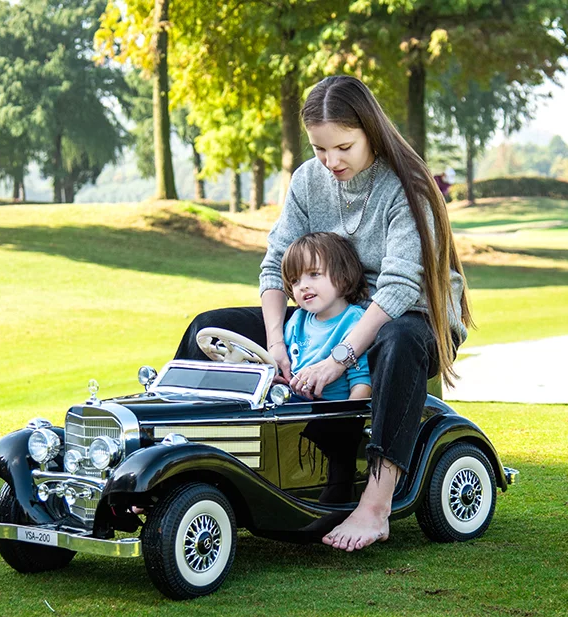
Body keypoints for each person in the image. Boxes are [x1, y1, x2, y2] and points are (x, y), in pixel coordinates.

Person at [175, 75, 472, 552]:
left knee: (398, 340)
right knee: (209, 326)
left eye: (343, 147)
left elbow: (398, 288)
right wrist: (276, 345)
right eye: (319, 149)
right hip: (333, 309)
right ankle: (191, 463)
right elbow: (275, 264)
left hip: (411, 317)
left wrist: (337, 358)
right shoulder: (308, 181)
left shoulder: (408, 188)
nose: (331, 162)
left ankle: (375, 506)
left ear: (370, 132)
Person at [280, 232, 371, 401]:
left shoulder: (356, 322)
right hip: (291, 404)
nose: (303, 286)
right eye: (295, 281)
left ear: (343, 277)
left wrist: (348, 422)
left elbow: (361, 385)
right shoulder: (297, 320)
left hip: (329, 411)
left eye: (314, 274)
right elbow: (286, 369)